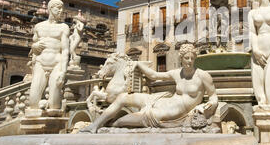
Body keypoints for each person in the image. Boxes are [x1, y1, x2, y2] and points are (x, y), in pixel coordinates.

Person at [80, 43, 218, 133]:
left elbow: (213, 96)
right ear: (181, 58)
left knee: (123, 121)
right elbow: (153, 75)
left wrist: (207, 105)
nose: (189, 61)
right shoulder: (177, 73)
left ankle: (111, 126)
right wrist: (138, 64)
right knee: (122, 97)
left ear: (195, 58)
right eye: (186, 58)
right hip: (162, 100)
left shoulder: (202, 75)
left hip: (173, 112)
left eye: (192, 58)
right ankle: (95, 125)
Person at [28, 0, 70, 112]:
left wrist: (63, 72)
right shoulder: (38, 26)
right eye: (58, 8)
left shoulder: (64, 27)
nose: (61, 11)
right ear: (50, 8)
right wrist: (34, 46)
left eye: (62, 8)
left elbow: (66, 50)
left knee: (54, 105)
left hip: (57, 63)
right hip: (40, 63)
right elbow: (34, 45)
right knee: (33, 101)